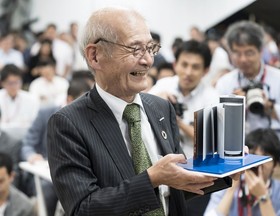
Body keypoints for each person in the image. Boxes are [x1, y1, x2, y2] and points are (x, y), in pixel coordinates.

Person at [47, 7, 241, 216]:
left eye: (150, 48)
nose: (148, 60)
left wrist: (223, 167)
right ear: (95, 56)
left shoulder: (160, 108)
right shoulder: (68, 123)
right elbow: (83, 209)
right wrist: (152, 179)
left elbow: (177, 188)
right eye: (134, 49)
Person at [215, 20, 280, 183]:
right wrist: (234, 107)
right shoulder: (225, 83)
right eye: (236, 53)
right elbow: (220, 126)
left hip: (278, 163)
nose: (243, 59)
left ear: (261, 51)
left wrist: (270, 107)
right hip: (242, 166)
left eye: (249, 52)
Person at [21, 79, 91, 216]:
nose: (88, 105)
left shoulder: (89, 116)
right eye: (83, 100)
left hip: (77, 171)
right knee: (50, 187)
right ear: (70, 99)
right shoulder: (46, 113)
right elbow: (27, 143)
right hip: (45, 173)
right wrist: (31, 156)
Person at [149, 39, 219, 159]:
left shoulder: (212, 98)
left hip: (195, 165)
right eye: (184, 65)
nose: (188, 72)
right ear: (175, 65)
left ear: (206, 70)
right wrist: (155, 103)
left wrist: (176, 120)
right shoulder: (163, 85)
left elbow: (209, 141)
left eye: (195, 67)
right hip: (160, 160)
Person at [204, 128, 280, 216]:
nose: (256, 164)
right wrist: (231, 190)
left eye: (264, 158)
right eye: (253, 155)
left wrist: (263, 197)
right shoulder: (227, 183)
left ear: (276, 165)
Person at [0, 64, 39, 137]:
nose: (14, 86)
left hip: (24, 138)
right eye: (10, 83)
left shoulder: (30, 98)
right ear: (2, 83)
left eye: (17, 82)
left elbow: (34, 124)